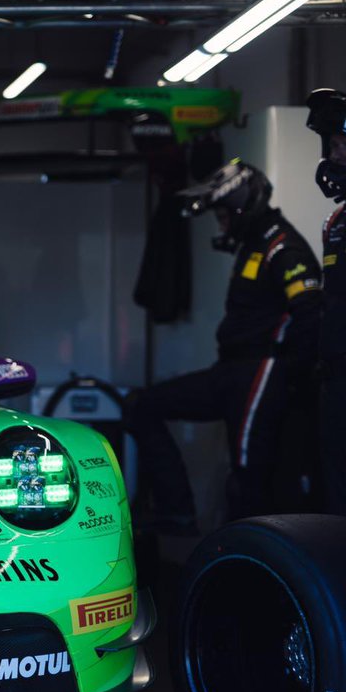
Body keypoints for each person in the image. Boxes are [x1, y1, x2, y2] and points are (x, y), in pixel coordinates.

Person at [125, 160, 322, 533]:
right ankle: (178, 514)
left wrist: (290, 379)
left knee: (248, 480)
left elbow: (311, 314)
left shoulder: (284, 247)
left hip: (262, 370)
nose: (221, 224)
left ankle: (249, 567)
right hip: (230, 371)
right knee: (142, 406)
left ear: (243, 205)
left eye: (223, 214)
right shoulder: (253, 245)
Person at [306, 88, 346, 515]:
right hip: (334, 375)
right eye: (331, 146)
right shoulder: (336, 220)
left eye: (340, 145)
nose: (333, 157)